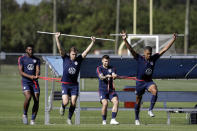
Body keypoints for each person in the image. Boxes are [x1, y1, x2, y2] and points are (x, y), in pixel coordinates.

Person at [121, 32, 177, 125]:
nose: (149, 55)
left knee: (155, 91)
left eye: (150, 54)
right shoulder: (139, 58)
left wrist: (173, 39)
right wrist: (125, 39)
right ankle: (136, 119)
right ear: (144, 53)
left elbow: (164, 49)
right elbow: (131, 49)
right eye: (147, 54)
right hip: (139, 82)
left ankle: (150, 110)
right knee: (138, 101)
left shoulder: (153, 58)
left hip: (148, 82)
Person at [55, 32, 96, 125]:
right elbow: (60, 49)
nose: (74, 55)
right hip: (65, 84)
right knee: (65, 102)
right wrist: (57, 38)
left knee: (73, 102)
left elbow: (86, 52)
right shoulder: (65, 58)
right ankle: (62, 106)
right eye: (73, 54)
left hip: (74, 85)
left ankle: (69, 118)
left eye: (75, 54)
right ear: (69, 53)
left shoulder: (79, 59)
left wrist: (92, 42)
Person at [18, 45, 40, 125]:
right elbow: (21, 72)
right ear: (26, 50)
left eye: (32, 49)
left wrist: (37, 74)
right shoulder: (22, 59)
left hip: (34, 82)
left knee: (36, 99)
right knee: (28, 96)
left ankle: (33, 120)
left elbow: (38, 69)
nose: (31, 51)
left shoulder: (37, 59)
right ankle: (24, 114)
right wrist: (30, 76)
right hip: (25, 81)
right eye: (29, 49)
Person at [96, 55, 119, 125]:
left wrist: (114, 76)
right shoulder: (99, 68)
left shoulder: (112, 68)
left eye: (108, 61)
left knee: (116, 101)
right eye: (105, 61)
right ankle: (104, 121)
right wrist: (106, 76)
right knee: (105, 104)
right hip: (102, 90)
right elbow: (101, 77)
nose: (107, 63)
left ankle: (113, 119)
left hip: (111, 90)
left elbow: (113, 74)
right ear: (102, 61)